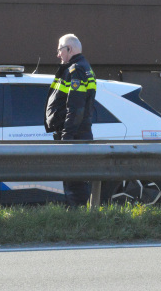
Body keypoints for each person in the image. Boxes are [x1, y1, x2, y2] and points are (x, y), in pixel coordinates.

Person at [45, 34, 97, 207]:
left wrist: (67, 137)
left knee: (74, 185)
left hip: (75, 137)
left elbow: (76, 108)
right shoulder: (82, 68)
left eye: (60, 49)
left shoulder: (76, 70)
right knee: (73, 182)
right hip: (77, 135)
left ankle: (78, 222)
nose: (58, 54)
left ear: (70, 49)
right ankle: (77, 220)